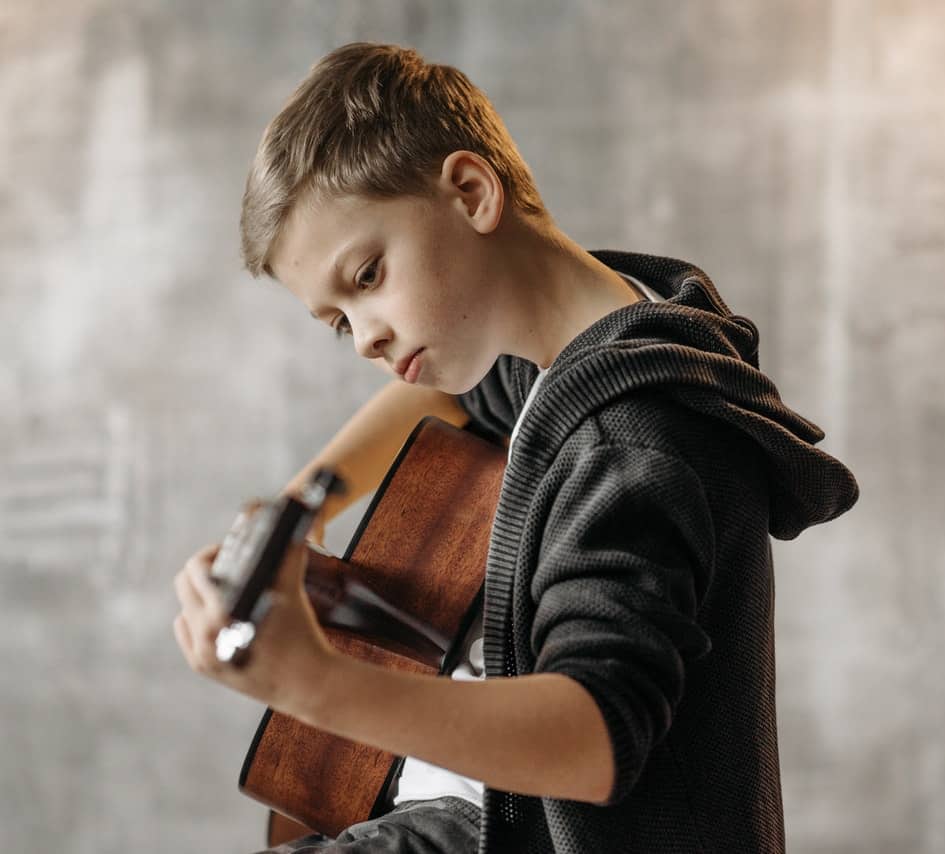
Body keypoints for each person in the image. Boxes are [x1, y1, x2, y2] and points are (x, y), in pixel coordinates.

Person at [171, 42, 859, 854]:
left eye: (365, 278)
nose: (362, 340)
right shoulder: (576, 346)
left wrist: (312, 682)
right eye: (338, 322)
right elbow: (446, 392)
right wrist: (304, 504)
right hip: (446, 801)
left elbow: (594, 734)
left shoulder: (633, 442)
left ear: (470, 192)